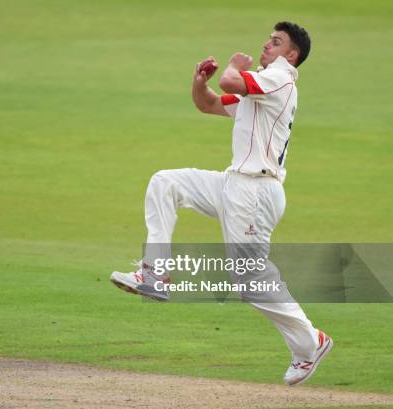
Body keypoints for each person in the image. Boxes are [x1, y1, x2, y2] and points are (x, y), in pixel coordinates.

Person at [110, 22, 333, 386]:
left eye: (276, 43)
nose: (267, 45)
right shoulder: (261, 84)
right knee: (166, 183)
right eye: (268, 39)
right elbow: (210, 103)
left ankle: (311, 343)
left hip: (256, 191)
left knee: (249, 279)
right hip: (234, 183)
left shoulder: (280, 78)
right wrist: (200, 81)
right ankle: (156, 274)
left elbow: (231, 82)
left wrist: (232, 65)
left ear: (292, 55)